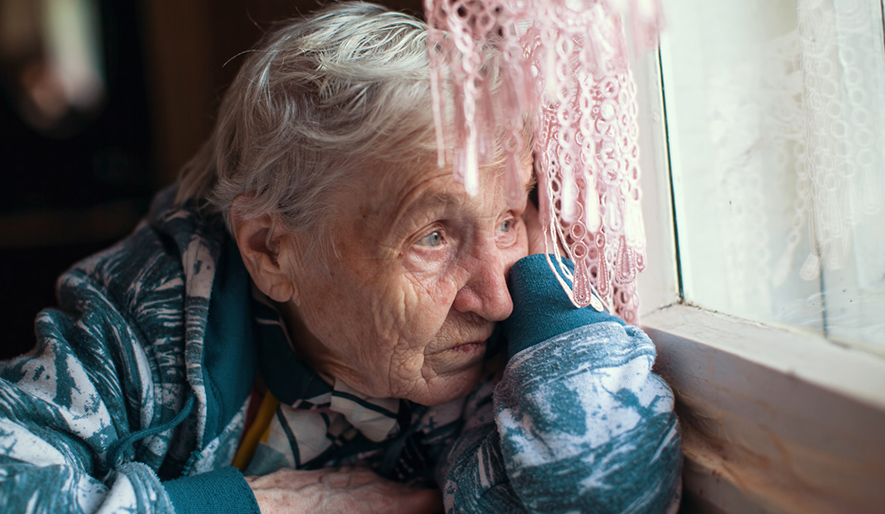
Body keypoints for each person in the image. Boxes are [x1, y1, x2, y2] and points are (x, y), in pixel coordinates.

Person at [0, 2, 681, 513]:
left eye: (508, 218)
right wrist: (248, 507)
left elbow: (604, 493)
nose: (495, 297)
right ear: (272, 249)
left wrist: (550, 294)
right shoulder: (147, 318)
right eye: (433, 236)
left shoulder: (492, 340)